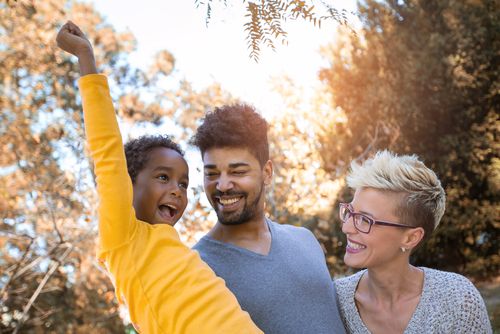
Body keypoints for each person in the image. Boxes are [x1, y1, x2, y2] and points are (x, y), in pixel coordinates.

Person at [56, 21, 262, 333]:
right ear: (129, 183)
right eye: (163, 177)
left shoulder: (177, 249)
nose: (178, 191)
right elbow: (107, 154)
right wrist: (86, 57)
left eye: (183, 183)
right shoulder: (124, 238)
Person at [191, 105, 346, 334]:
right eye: (211, 174)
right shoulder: (196, 267)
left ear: (267, 173)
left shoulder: (305, 239)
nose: (222, 185)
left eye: (237, 172)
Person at [335, 150, 492, 333]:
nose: (346, 228)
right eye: (350, 212)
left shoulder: (458, 301)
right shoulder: (334, 301)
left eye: (364, 220)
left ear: (411, 238)